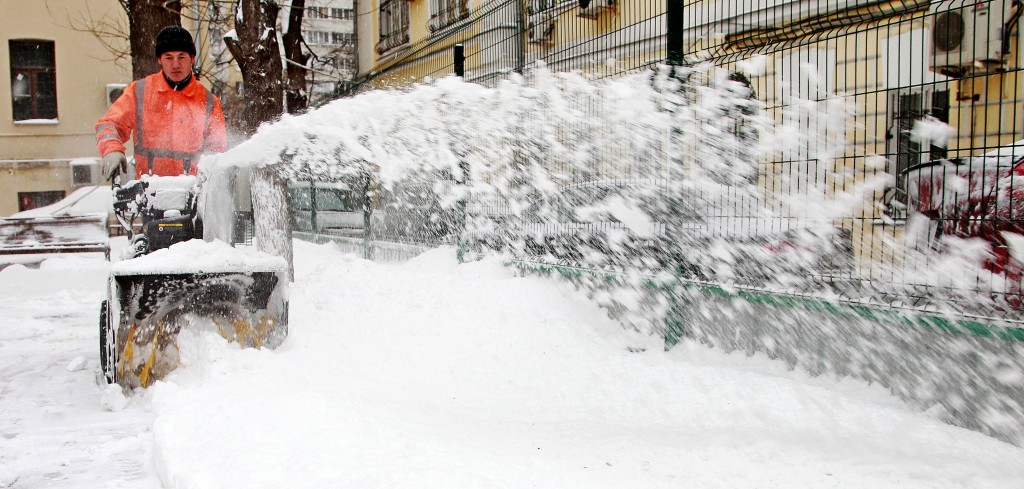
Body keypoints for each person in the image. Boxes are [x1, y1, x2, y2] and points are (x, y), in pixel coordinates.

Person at [96, 25, 227, 181]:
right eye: (169, 57)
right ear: (159, 59)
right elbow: (110, 124)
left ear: (192, 58)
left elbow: (217, 148)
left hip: (193, 192)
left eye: (182, 57)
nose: (176, 64)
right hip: (149, 190)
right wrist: (111, 150)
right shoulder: (139, 92)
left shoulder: (208, 101)